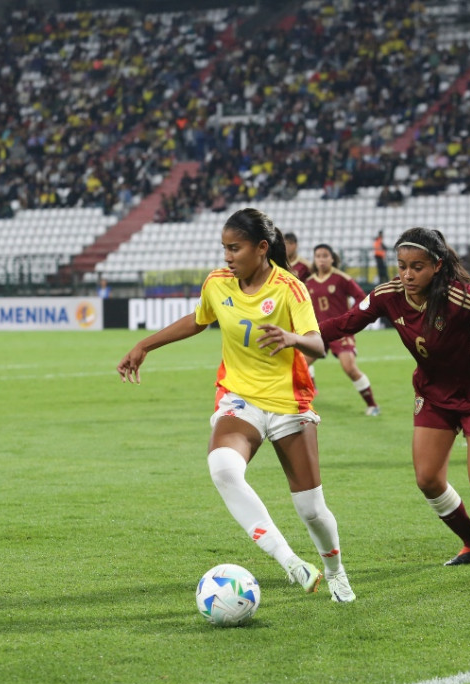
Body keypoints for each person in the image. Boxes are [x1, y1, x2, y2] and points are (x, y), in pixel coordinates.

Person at [117, 208, 355, 602]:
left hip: (287, 402)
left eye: (235, 248)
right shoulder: (217, 283)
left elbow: (318, 343)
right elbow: (198, 320)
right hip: (239, 397)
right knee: (223, 468)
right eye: (224, 248)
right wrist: (144, 345)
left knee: (311, 510)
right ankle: (290, 562)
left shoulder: (289, 288)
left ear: (261, 248)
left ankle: (335, 571)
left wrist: (292, 339)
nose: (227, 256)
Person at [320, 227, 470, 566]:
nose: (406, 274)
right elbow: (344, 323)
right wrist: (295, 338)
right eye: (401, 265)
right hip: (433, 394)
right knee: (428, 479)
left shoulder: (462, 297)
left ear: (437, 265)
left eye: (416, 267)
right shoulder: (387, 295)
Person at [304, 243, 380, 416]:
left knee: (349, 367)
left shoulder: (342, 279)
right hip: (319, 332)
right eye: (318, 256)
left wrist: (352, 319)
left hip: (340, 331)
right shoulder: (309, 283)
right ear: (314, 260)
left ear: (332, 258)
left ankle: (372, 405)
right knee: (299, 366)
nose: (321, 259)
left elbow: (361, 297)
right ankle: (302, 401)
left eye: (325, 256)